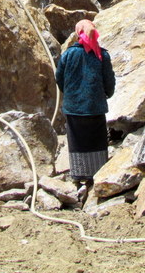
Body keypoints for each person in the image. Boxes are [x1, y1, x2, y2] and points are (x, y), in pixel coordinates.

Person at [55, 20, 115, 185]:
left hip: (73, 108)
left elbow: (59, 78)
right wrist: (107, 94)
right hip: (95, 108)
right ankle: (97, 174)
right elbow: (109, 80)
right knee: (97, 140)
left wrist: (69, 94)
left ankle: (78, 176)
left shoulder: (68, 54)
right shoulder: (102, 55)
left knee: (77, 140)